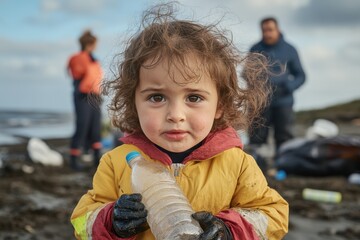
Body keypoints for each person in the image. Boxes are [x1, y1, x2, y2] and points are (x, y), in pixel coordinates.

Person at [70, 5, 288, 240]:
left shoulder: (237, 164)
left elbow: (273, 215)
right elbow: (82, 221)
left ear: (220, 105)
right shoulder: (115, 163)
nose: (176, 114)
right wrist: (110, 220)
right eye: (157, 97)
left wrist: (229, 231)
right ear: (133, 102)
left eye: (194, 98)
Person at [249, 17, 306, 153]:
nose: (267, 33)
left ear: (277, 29)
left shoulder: (290, 49)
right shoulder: (255, 49)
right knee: (257, 137)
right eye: (264, 30)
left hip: (283, 101)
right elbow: (247, 74)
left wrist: (289, 87)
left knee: (284, 136)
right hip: (261, 102)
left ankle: (283, 168)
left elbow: (301, 76)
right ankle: (256, 167)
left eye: (270, 30)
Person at [67, 30, 103, 170]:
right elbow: (77, 74)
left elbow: (96, 78)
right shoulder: (79, 58)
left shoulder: (94, 59)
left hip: (95, 97)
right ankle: (74, 160)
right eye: (94, 43)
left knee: (95, 128)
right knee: (82, 126)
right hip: (82, 96)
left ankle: (96, 159)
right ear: (89, 44)